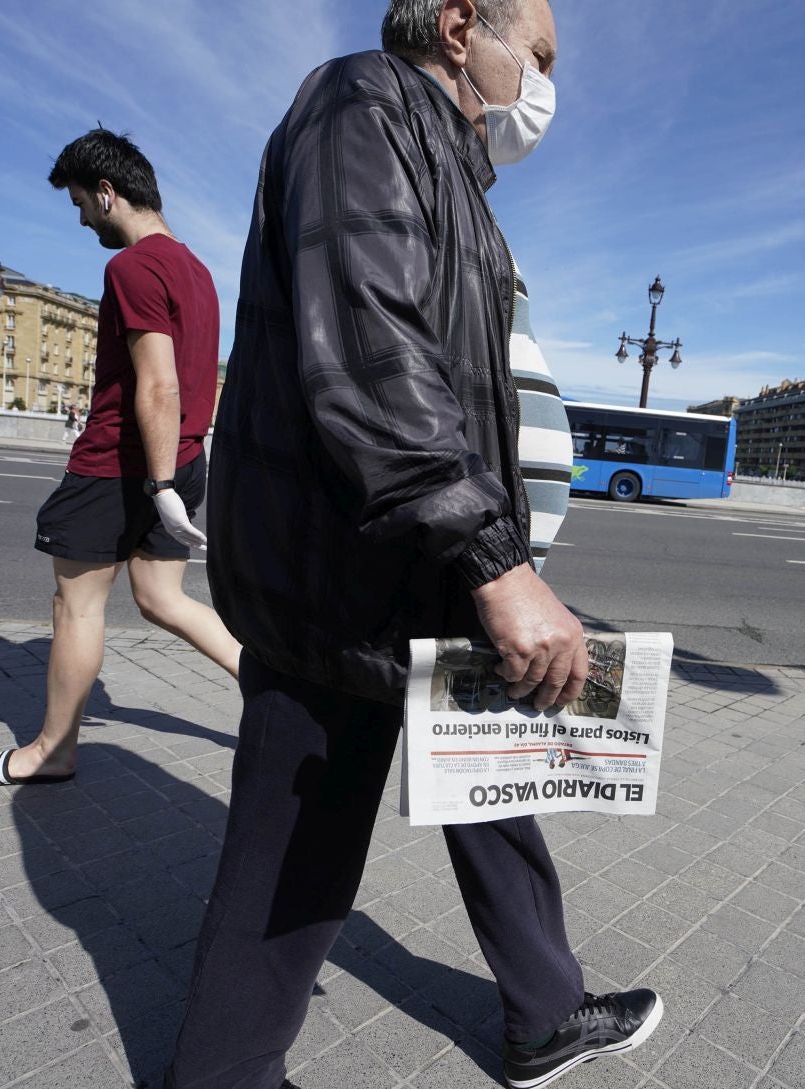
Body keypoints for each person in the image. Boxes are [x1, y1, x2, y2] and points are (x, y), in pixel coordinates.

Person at [166, 4, 662, 1089]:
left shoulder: (448, 161)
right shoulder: (363, 101)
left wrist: (493, 555)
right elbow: (367, 342)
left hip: (421, 566)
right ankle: (222, 1074)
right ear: (456, 24)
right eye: (536, 54)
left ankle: (542, 1011)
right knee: (295, 851)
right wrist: (498, 560)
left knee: (496, 779)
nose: (543, 81)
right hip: (347, 574)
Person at [0, 129, 241, 790]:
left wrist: (159, 483)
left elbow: (160, 382)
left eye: (84, 203)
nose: (83, 219)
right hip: (188, 454)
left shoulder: (132, 268)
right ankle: (266, 688)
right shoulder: (199, 272)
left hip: (123, 462)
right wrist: (175, 477)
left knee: (75, 607)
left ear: (109, 194)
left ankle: (53, 748)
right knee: (161, 597)